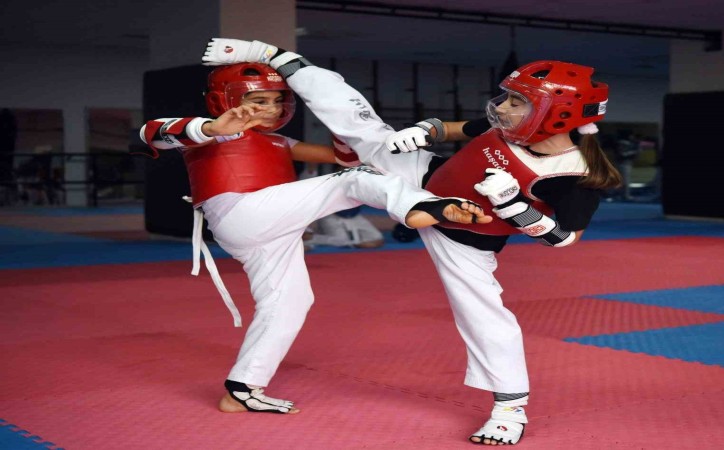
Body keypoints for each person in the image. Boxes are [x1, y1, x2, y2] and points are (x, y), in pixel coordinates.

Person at [201, 40, 621, 444]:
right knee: (363, 126)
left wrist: (514, 207)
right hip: (422, 177)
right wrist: (425, 131)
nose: (504, 107)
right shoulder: (508, 127)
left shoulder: (574, 176)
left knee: (484, 316)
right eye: (508, 97)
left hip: (467, 238)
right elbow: (457, 129)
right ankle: (280, 57)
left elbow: (564, 239)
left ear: (556, 115)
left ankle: (510, 410)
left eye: (517, 102)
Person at [138, 61, 491, 416]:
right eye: (259, 101)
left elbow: (343, 159)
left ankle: (242, 388)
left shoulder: (280, 141)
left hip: (271, 228)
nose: (271, 109)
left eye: (277, 101)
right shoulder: (210, 133)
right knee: (353, 181)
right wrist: (212, 127)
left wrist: (341, 127)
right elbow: (151, 133)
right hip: (241, 212)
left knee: (289, 301)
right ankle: (424, 206)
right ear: (223, 101)